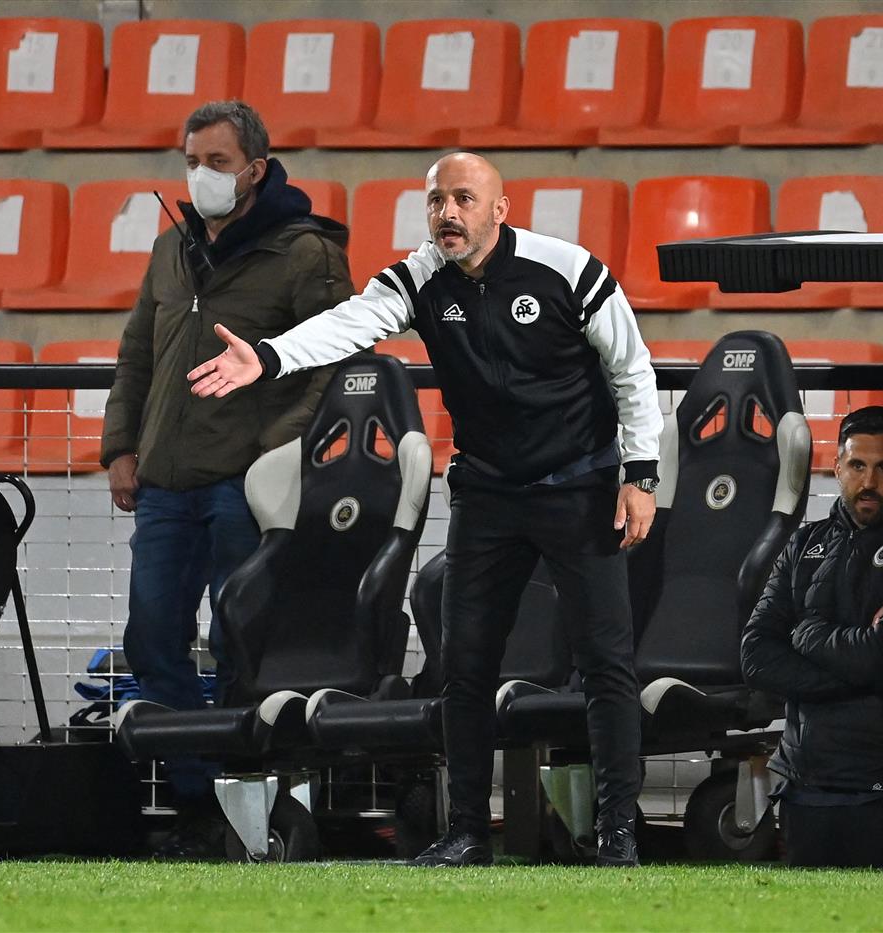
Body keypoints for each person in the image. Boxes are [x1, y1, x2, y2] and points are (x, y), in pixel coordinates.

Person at [188, 151, 662, 867]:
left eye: (465, 199)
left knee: (606, 663)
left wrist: (642, 474)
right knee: (464, 668)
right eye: (438, 200)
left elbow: (632, 369)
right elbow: (351, 323)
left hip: (579, 487)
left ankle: (619, 828)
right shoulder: (419, 277)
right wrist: (271, 355)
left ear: (500, 210)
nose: (448, 212)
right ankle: (468, 830)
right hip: (489, 493)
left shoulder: (569, 269)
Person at [100, 100, 354, 858]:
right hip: (166, 483)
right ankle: (202, 801)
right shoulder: (170, 250)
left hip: (245, 485)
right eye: (190, 160)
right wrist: (122, 443)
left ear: (255, 167)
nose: (199, 174)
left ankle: (262, 798)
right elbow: (137, 353)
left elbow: (332, 363)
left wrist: (271, 456)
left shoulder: (305, 252)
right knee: (152, 642)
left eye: (214, 161)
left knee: (248, 645)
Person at [741, 406, 883, 869]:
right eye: (857, 466)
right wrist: (860, 670)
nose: (869, 481)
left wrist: (808, 633)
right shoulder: (805, 544)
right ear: (837, 467)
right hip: (808, 782)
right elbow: (757, 655)